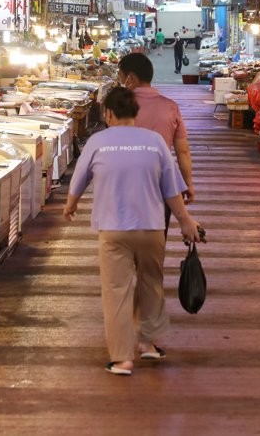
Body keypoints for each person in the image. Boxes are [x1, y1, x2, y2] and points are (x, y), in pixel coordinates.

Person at [62, 87, 203, 376]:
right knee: (151, 283)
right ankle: (149, 345)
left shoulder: (98, 141)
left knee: (116, 291)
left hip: (113, 229)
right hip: (152, 227)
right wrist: (185, 221)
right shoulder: (154, 142)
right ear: (135, 113)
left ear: (108, 113)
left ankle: (122, 359)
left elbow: (78, 180)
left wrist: (70, 205)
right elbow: (171, 189)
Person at [118, 52, 196, 216]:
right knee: (158, 234)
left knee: (125, 235)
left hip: (125, 180)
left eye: (120, 76)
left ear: (130, 78)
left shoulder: (119, 107)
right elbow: (182, 150)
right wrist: (187, 183)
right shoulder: (170, 107)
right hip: (162, 180)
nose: (120, 81)